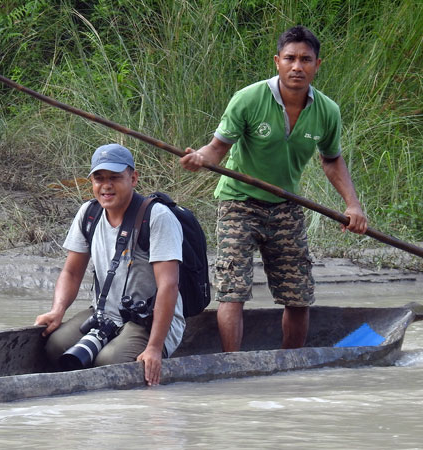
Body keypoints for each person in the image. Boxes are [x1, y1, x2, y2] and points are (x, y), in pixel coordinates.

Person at [180, 26, 368, 352]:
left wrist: (353, 205)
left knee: (298, 294)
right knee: (233, 288)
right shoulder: (248, 99)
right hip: (239, 202)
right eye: (290, 58)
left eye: (305, 60)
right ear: (277, 61)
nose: (297, 67)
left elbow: (332, 160)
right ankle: (233, 365)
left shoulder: (327, 111)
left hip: (285, 205)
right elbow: (217, 149)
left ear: (317, 65)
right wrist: (200, 158)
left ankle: (290, 362)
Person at [35, 143, 185, 386]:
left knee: (110, 362)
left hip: (148, 319)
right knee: (54, 347)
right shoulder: (89, 213)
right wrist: (57, 311)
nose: (106, 185)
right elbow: (72, 272)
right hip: (104, 314)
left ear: (133, 178)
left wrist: (155, 348)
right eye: (99, 178)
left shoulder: (157, 217)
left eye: (115, 178)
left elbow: (169, 285)